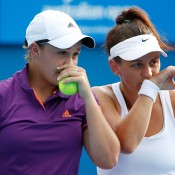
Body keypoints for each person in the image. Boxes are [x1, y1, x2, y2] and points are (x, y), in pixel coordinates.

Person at [0, 10, 120, 175]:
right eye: (62, 53)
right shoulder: (3, 94)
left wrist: (88, 99)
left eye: (75, 54)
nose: (70, 64)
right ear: (35, 51)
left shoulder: (82, 99)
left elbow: (108, 160)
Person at [92, 7, 175, 175]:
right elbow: (127, 144)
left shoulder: (172, 100)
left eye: (154, 62)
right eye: (137, 64)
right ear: (115, 67)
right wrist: (150, 88)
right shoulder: (101, 97)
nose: (149, 73)